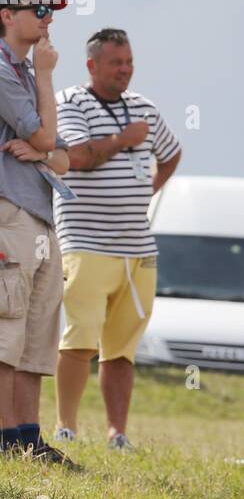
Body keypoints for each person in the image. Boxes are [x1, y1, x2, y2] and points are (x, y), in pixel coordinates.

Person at [0, 0, 74, 465]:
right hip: (5, 210)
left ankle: (29, 439)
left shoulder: (23, 71)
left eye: (51, 11)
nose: (48, 20)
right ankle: (10, 442)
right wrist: (46, 84)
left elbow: (64, 157)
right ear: (7, 15)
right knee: (3, 329)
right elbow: (50, 141)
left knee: (35, 336)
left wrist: (44, 147)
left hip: (35, 212)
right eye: (39, 10)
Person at [52, 28, 182, 449]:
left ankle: (117, 432)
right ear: (92, 65)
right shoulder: (73, 101)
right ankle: (66, 425)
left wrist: (146, 191)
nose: (125, 70)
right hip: (85, 241)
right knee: (79, 339)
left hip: (137, 248)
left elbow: (172, 152)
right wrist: (122, 141)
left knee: (122, 348)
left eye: (128, 62)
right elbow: (75, 156)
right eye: (116, 63)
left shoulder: (144, 106)